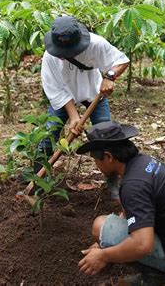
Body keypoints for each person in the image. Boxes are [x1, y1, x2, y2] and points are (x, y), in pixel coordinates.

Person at [75, 121, 165, 285]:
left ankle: (159, 276)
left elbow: (143, 245)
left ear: (109, 157)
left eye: (95, 159)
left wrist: (104, 255)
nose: (96, 166)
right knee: (108, 233)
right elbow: (134, 211)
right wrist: (104, 243)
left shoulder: (133, 186)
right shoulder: (144, 163)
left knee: (100, 226)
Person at [36, 15, 129, 198]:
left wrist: (109, 76)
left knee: (105, 137)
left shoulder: (96, 44)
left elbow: (122, 60)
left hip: (94, 93)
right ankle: (38, 183)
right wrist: (73, 116)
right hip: (64, 98)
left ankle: (112, 185)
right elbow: (55, 90)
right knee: (48, 136)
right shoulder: (50, 57)